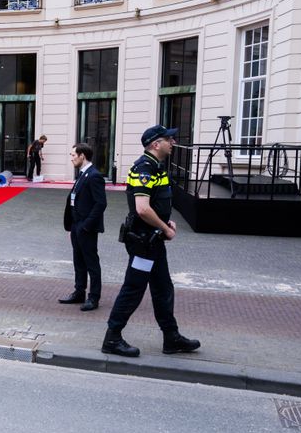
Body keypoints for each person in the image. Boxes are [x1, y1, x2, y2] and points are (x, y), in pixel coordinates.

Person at [102, 125, 201, 358]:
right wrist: (165, 227)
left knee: (163, 288)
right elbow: (143, 209)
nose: (173, 142)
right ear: (156, 144)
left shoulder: (157, 167)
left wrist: (167, 224)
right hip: (143, 243)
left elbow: (157, 204)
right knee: (134, 289)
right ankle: (112, 338)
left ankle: (171, 337)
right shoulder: (144, 168)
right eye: (169, 139)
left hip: (153, 241)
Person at [59, 142, 106, 311]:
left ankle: (94, 297)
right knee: (78, 261)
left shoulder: (94, 176)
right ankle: (79, 292)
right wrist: (73, 226)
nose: (71, 158)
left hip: (86, 228)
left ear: (82, 156)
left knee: (91, 262)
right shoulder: (82, 174)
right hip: (76, 226)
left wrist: (86, 226)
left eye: (73, 155)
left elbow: (100, 204)